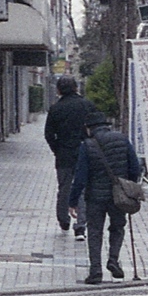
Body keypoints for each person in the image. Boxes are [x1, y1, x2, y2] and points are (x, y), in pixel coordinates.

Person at [69, 109, 142, 285]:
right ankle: (113, 260)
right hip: (119, 196)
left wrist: (73, 201)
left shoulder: (87, 145)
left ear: (89, 128)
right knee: (117, 227)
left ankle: (95, 271)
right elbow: (135, 168)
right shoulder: (122, 139)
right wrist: (128, 186)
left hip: (95, 196)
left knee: (95, 232)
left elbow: (80, 176)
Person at [44, 75, 94, 239]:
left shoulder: (56, 108)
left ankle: (64, 220)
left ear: (58, 90)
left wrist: (57, 149)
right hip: (85, 152)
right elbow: (95, 129)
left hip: (64, 154)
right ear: (76, 88)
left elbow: (49, 134)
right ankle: (80, 225)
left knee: (64, 187)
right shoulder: (87, 105)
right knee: (83, 189)